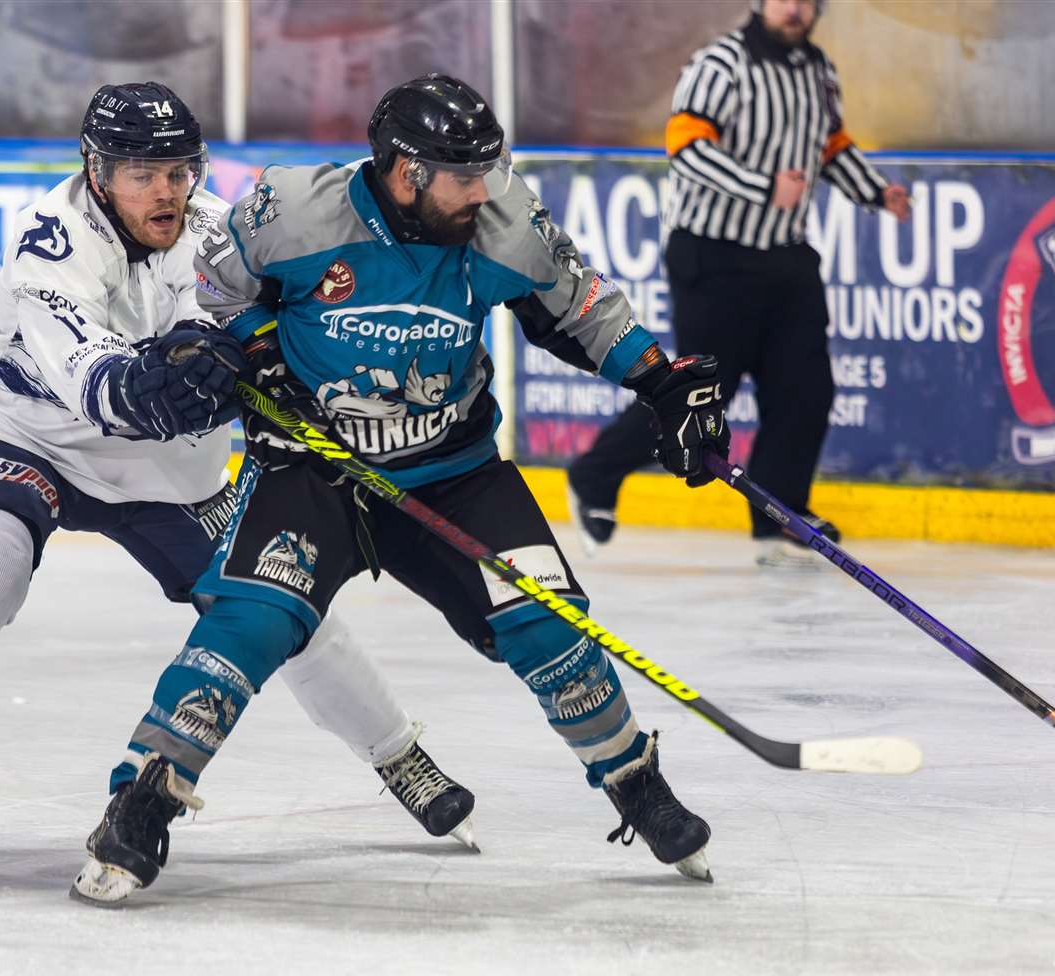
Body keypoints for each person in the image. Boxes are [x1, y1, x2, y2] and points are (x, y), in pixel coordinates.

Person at [71, 73, 729, 906]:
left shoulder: (504, 222)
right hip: (315, 473)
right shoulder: (294, 211)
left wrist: (662, 382)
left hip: (451, 475)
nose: (483, 189)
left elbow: (581, 309)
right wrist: (259, 353)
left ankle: (636, 783)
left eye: (489, 170)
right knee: (251, 624)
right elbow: (219, 293)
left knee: (547, 624)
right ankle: (140, 799)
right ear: (407, 172)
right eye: (465, 175)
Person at [0, 83, 475, 869]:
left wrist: (268, 360)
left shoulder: (219, 229)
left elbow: (266, 322)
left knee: (277, 601)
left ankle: (397, 752)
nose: (166, 189)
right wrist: (177, 379)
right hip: (31, 440)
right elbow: (102, 386)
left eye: (179, 170)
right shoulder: (50, 243)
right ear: (96, 171)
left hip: (169, 473)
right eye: (142, 172)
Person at [566, 0, 911, 566]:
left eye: (805, 0)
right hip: (714, 255)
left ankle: (779, 518)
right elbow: (686, 148)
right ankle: (594, 475)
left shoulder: (818, 70)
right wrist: (761, 187)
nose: (795, 9)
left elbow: (829, 146)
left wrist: (875, 192)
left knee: (806, 390)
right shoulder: (720, 65)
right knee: (705, 393)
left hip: (787, 256)